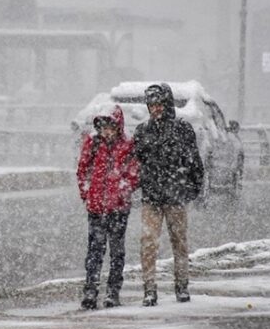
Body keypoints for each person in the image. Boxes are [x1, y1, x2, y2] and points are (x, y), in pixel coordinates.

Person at [133, 83, 204, 306]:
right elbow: (136, 162)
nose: (155, 109)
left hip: (175, 196)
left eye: (159, 104)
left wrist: (192, 189)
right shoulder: (143, 131)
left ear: (167, 104)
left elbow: (194, 162)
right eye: (151, 105)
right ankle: (149, 288)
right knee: (148, 242)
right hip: (152, 196)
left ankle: (181, 285)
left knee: (179, 242)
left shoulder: (182, 129)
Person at [76, 104, 139, 310]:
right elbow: (82, 170)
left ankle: (113, 291)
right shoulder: (93, 144)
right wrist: (87, 193)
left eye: (110, 127)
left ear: (118, 127)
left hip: (118, 209)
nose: (107, 132)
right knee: (95, 251)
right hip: (96, 208)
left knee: (116, 251)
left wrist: (122, 191)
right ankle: (91, 290)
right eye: (103, 127)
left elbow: (133, 174)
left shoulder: (128, 146)